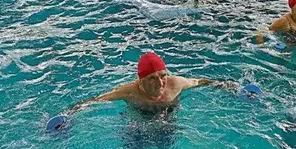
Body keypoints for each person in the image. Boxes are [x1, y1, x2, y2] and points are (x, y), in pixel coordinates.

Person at [66, 52, 228, 114]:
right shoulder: (129, 91)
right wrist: (68, 115)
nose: (160, 82)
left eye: (163, 76)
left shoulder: (176, 83)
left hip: (167, 120)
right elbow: (95, 100)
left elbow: (200, 81)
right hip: (139, 122)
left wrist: (226, 85)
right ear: (141, 80)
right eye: (152, 78)